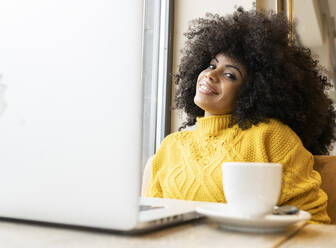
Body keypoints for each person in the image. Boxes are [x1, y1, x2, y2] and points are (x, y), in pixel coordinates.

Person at [145, 7, 336, 224]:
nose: (211, 75)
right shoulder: (170, 147)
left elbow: (313, 220)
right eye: (211, 65)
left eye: (230, 75)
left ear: (252, 92)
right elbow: (154, 220)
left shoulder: (272, 138)